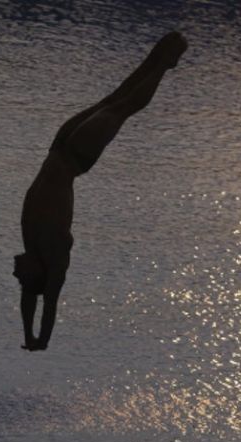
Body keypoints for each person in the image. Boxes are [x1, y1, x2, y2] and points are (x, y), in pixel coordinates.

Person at [13, 32, 188, 351]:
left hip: (58, 146)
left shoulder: (32, 249)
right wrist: (41, 340)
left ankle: (158, 53)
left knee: (115, 97)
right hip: (77, 155)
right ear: (38, 276)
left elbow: (27, 302)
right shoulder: (54, 257)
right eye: (21, 276)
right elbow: (47, 303)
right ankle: (164, 64)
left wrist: (27, 335)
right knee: (125, 106)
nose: (15, 271)